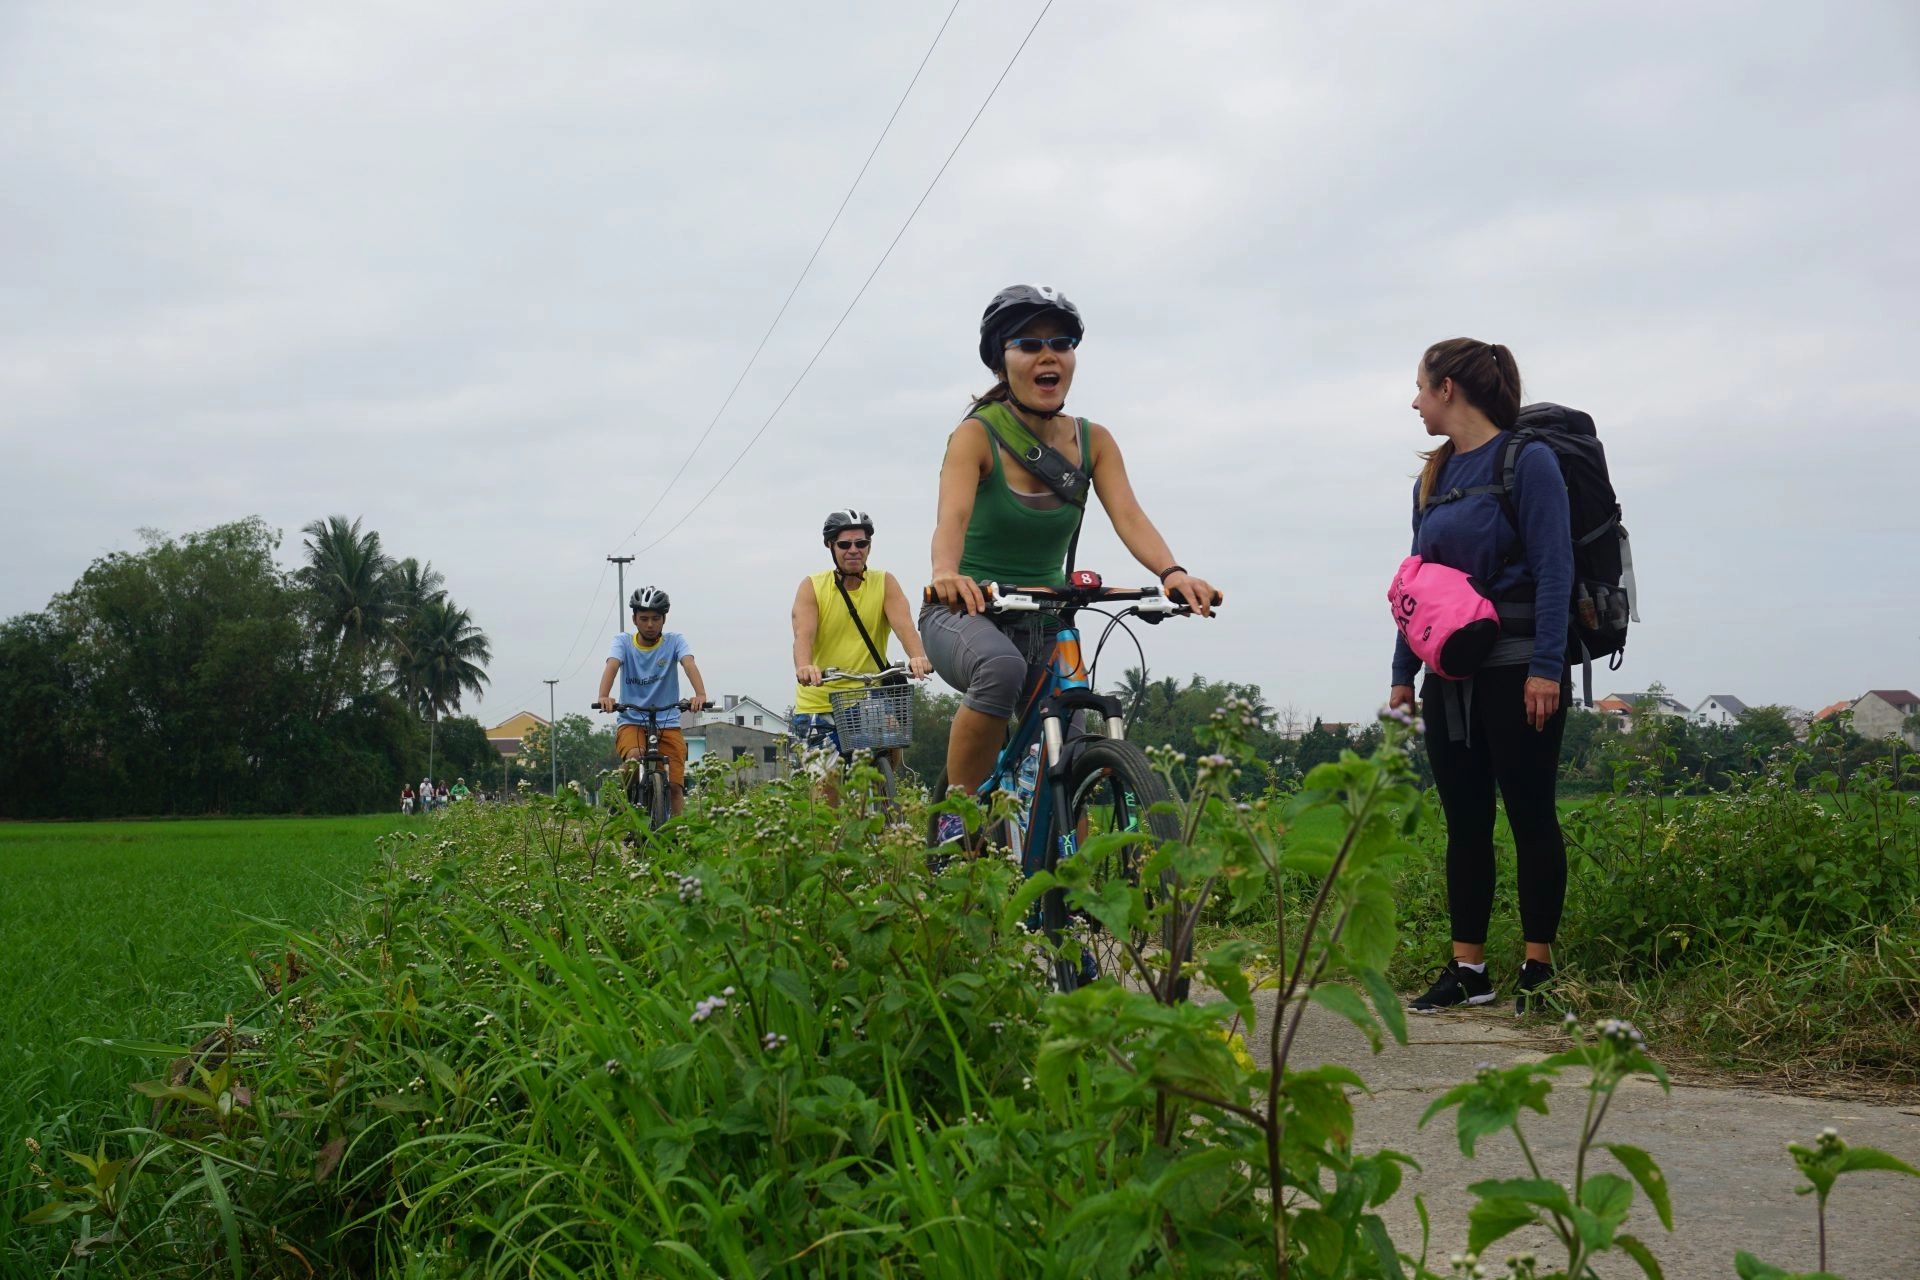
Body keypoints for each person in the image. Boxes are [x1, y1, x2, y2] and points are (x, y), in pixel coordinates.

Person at [921, 284, 1216, 845]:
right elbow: (951, 519)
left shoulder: (1093, 440)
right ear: (1001, 360)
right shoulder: (975, 434)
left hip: (1045, 615)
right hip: (967, 610)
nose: (1047, 354)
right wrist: (945, 574)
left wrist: (1173, 574)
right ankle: (956, 822)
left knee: (1071, 740)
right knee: (1000, 669)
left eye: (1061, 342)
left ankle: (1069, 877)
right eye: (1028, 344)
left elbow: (1129, 516)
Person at [1390, 338, 1573, 1016]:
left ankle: (1538, 970)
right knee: (1464, 824)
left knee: (1530, 818)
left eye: (1419, 387)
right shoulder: (1432, 478)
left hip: (1521, 669)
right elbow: (1417, 584)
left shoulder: (1530, 463)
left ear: (1448, 390)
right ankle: (1469, 970)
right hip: (1450, 680)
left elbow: (1557, 570)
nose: (1413, 401)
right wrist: (1402, 673)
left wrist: (1547, 669)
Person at [791, 509, 934, 766]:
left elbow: (904, 626)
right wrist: (804, 666)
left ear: (869, 546)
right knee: (826, 792)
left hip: (867, 697)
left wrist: (918, 656)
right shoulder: (812, 586)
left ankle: (885, 799)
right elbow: (803, 634)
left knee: (891, 733)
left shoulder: (884, 582)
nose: (853, 550)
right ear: (831, 547)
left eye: (861, 543)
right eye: (845, 544)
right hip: (819, 701)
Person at [596, 586, 710, 819]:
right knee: (634, 757)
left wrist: (700, 694)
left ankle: (677, 837)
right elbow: (612, 665)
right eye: (644, 618)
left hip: (668, 721)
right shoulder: (623, 642)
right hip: (631, 720)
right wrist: (604, 696)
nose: (650, 624)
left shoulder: (675, 641)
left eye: (655, 619)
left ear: (664, 619)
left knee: (676, 786)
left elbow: (688, 663)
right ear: (634, 619)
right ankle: (625, 803)